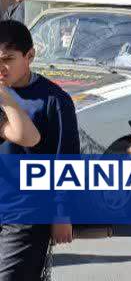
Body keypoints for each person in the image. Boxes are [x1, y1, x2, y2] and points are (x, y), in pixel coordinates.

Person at [0, 20, 68, 281]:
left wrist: (62, 212)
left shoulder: (54, 100)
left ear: (30, 56)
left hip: (27, 213)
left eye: (7, 59)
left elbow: (66, 158)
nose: (1, 68)